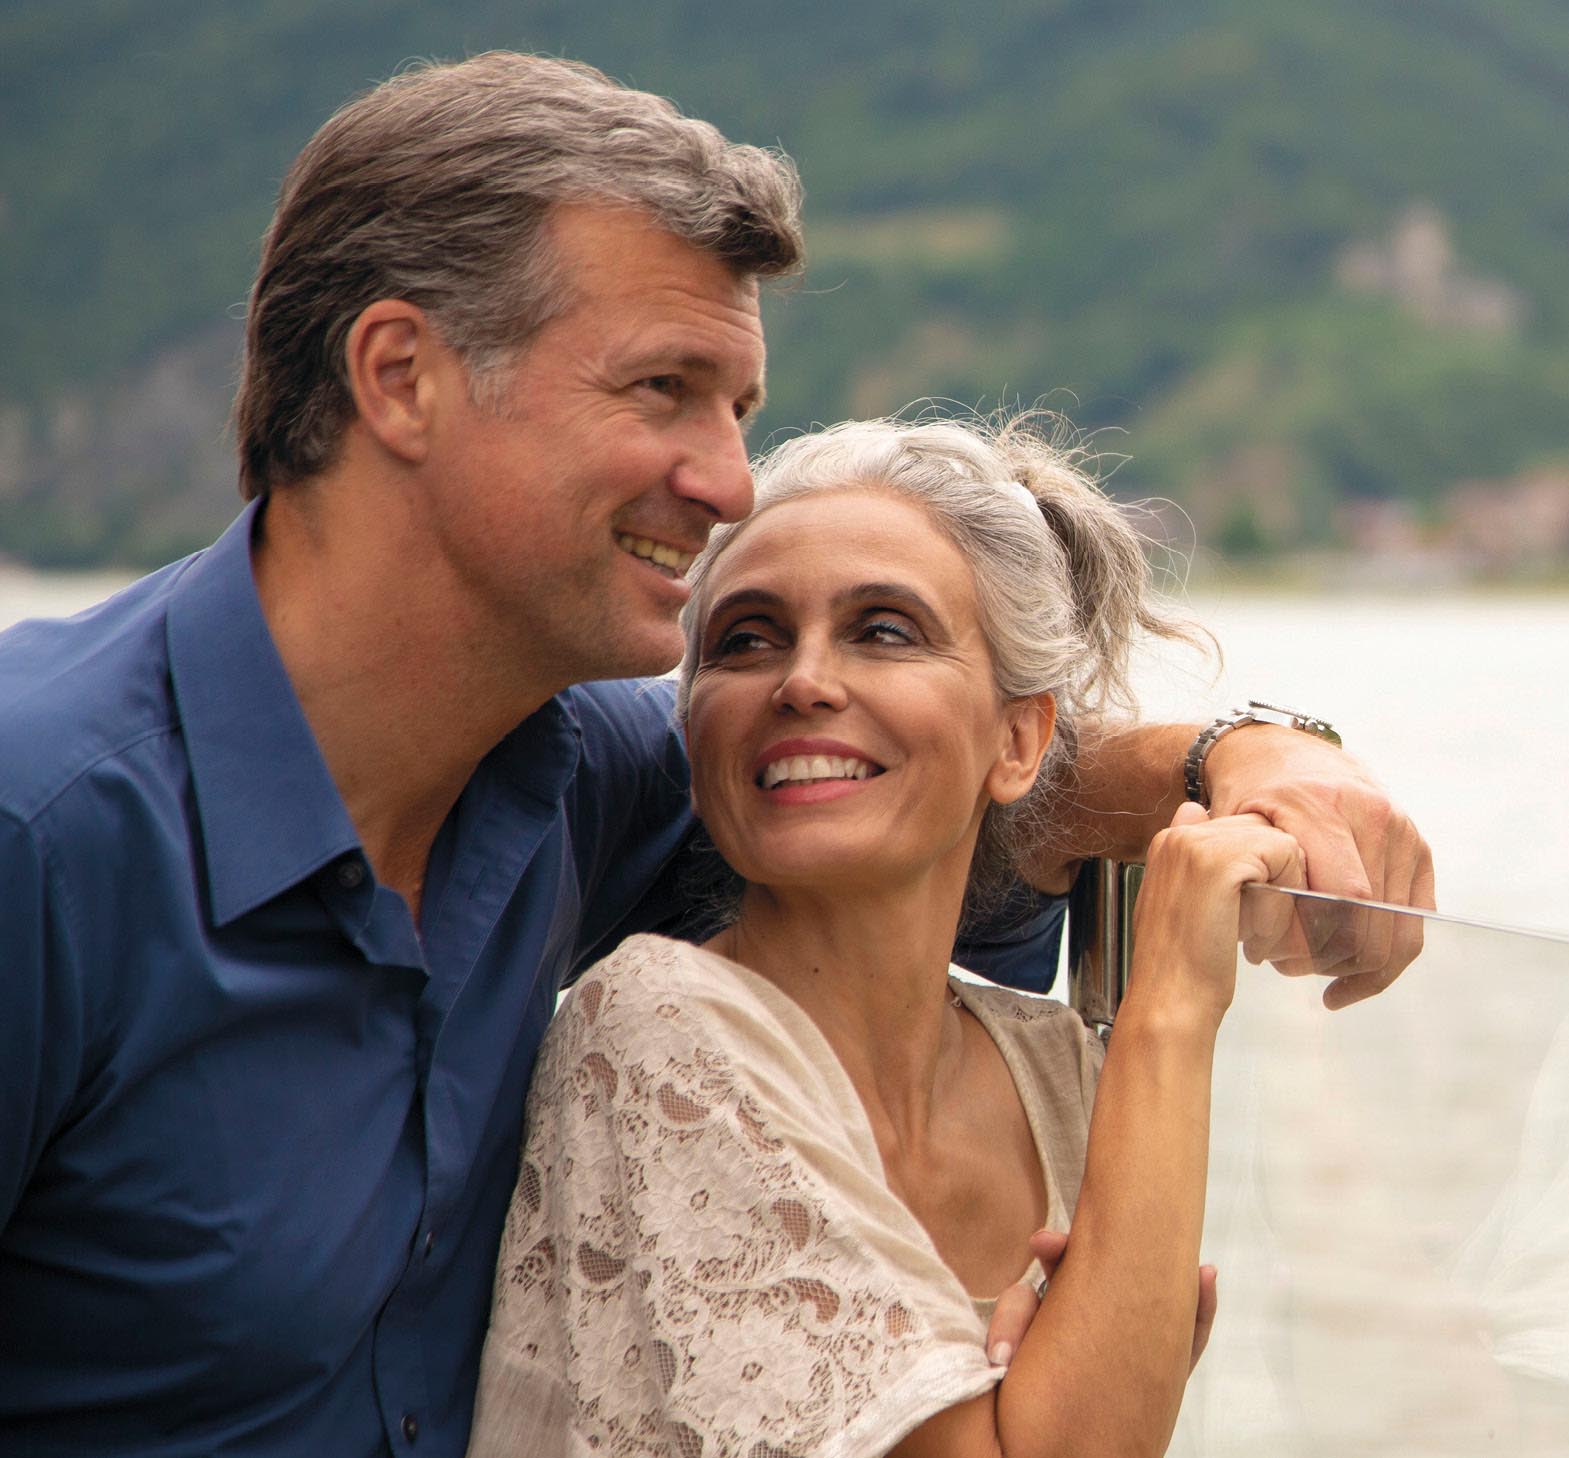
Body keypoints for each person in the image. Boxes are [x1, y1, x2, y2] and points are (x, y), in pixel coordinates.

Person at [0, 53, 1428, 1457]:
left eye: (736, 410)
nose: (730, 483)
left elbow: (956, 780)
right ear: (401, 376)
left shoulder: (576, 770)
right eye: (663, 389)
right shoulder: (39, 827)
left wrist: (1251, 759)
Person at [471, 415, 1275, 1457]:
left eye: (883, 630)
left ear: (1020, 738)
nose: (802, 680)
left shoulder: (1058, 1073)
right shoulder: (655, 1031)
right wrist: (1171, 1009)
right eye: (746, 640)